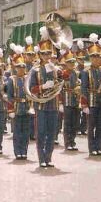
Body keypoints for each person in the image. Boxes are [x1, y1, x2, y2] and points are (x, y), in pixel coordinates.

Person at [28, 27, 60, 168]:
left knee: (52, 132)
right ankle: (41, 158)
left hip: (53, 104)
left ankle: (49, 157)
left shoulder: (54, 68)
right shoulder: (35, 70)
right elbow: (31, 89)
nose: (47, 56)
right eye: (44, 54)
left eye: (49, 53)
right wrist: (43, 87)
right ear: (40, 54)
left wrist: (61, 71)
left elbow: (65, 78)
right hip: (41, 106)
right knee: (41, 133)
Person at [81, 35, 101, 156]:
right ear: (90, 58)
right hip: (91, 101)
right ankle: (92, 148)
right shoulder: (86, 71)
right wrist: (84, 104)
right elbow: (83, 88)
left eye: (97, 56)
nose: (96, 59)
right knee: (91, 126)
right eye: (93, 57)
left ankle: (99, 146)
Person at [7, 46, 32, 159]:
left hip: (26, 107)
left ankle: (24, 151)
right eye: (19, 67)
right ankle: (18, 152)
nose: (21, 69)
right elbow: (10, 97)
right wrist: (10, 109)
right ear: (15, 68)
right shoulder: (12, 80)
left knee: (26, 131)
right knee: (17, 132)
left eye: (23, 66)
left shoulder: (28, 78)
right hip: (17, 108)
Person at [59, 50, 81, 151]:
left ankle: (73, 141)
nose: (71, 64)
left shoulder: (76, 73)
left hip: (75, 100)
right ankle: (68, 143)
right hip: (67, 100)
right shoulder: (63, 74)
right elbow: (59, 89)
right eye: (69, 62)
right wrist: (60, 103)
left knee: (75, 122)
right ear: (66, 63)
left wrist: (78, 86)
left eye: (73, 62)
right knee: (68, 123)